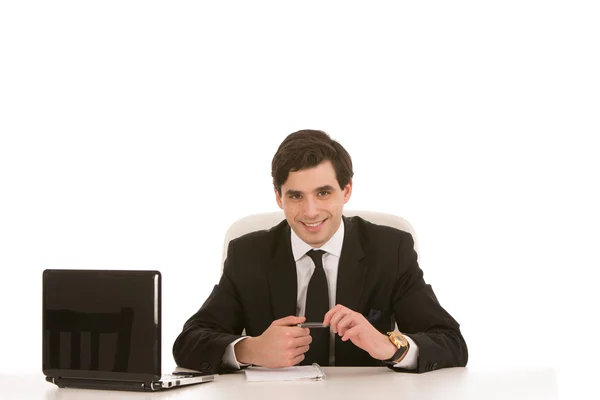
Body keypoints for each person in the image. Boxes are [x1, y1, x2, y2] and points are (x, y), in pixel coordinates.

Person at [173, 129, 468, 374]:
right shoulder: (248, 254)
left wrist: (389, 346)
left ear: (347, 191)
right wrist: (252, 348)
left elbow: (451, 342)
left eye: (323, 193)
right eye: (296, 196)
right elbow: (189, 342)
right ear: (279, 197)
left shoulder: (391, 250)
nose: (311, 212)